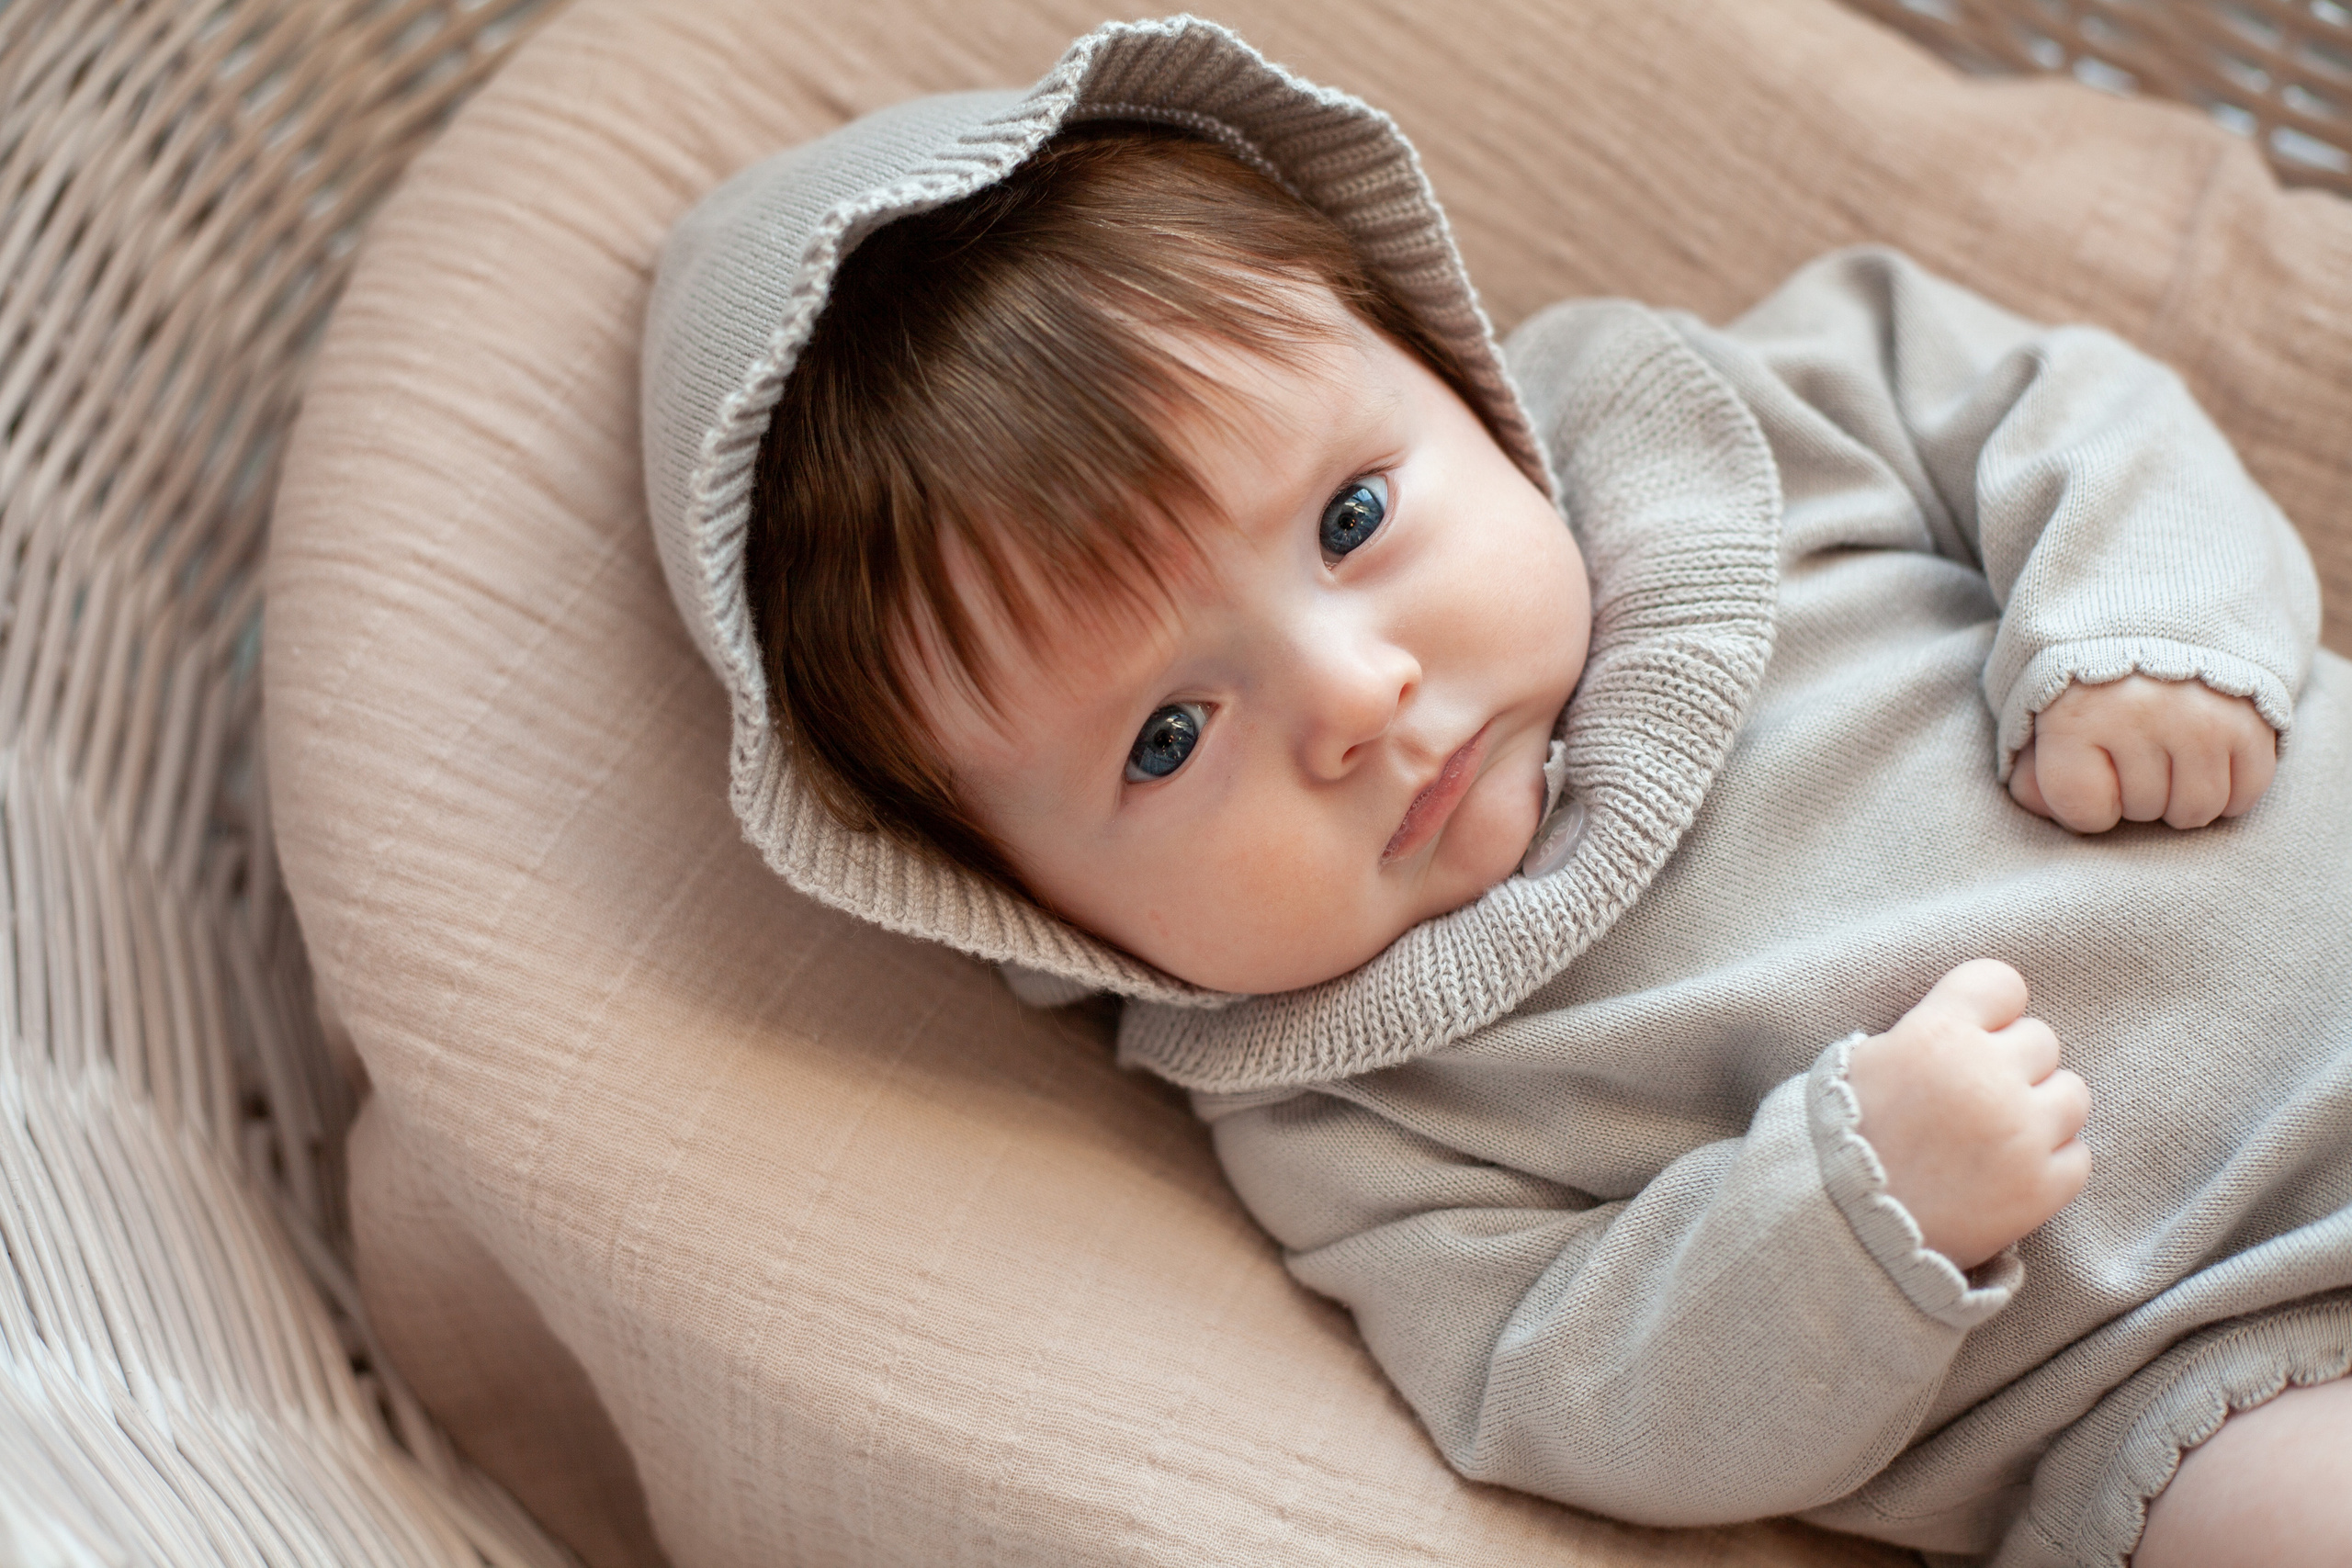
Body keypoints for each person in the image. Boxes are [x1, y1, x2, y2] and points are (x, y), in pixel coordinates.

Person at [639, 18, 2352, 1566]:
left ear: (1459, 378)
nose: (1355, 698)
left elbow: (2061, 406)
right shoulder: (1343, 1116)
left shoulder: (1723, 417)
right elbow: (1581, 1394)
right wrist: (1855, 1209)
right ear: (1018, 902)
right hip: (2207, 1362)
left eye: (1350, 521)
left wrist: (2147, 627)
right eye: (1167, 736)